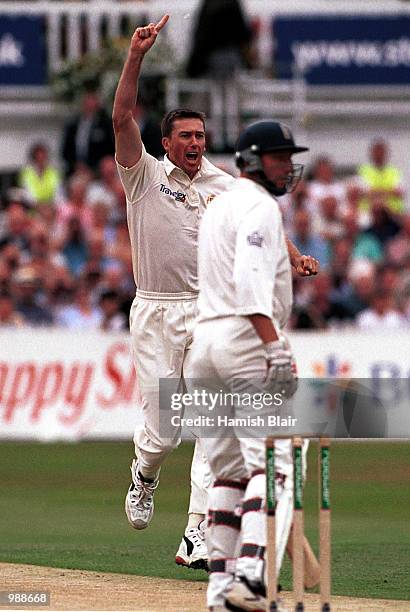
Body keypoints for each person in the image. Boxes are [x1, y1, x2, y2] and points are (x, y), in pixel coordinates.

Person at [112, 14, 318, 572]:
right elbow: (122, 114)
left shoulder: (223, 184)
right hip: (156, 309)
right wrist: (135, 58)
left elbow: (261, 213)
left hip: (206, 313)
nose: (195, 144)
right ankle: (144, 475)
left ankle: (195, 532)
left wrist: (293, 254)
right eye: (186, 136)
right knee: (163, 434)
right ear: (167, 142)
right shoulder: (143, 175)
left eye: (201, 136)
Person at [188, 120, 306, 611]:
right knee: (273, 465)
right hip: (242, 339)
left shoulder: (221, 205)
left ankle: (220, 591)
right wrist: (274, 347)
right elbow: (251, 282)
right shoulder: (259, 206)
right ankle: (253, 578)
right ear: (255, 160)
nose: (288, 166)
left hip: (204, 345)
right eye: (280, 158)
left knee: (230, 474)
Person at [61, 89, 115, 177]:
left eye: (92, 101)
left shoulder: (105, 125)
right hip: (76, 169)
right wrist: (76, 165)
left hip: (98, 170)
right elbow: (65, 151)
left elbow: (110, 149)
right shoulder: (73, 125)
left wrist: (93, 167)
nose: (90, 105)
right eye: (87, 101)